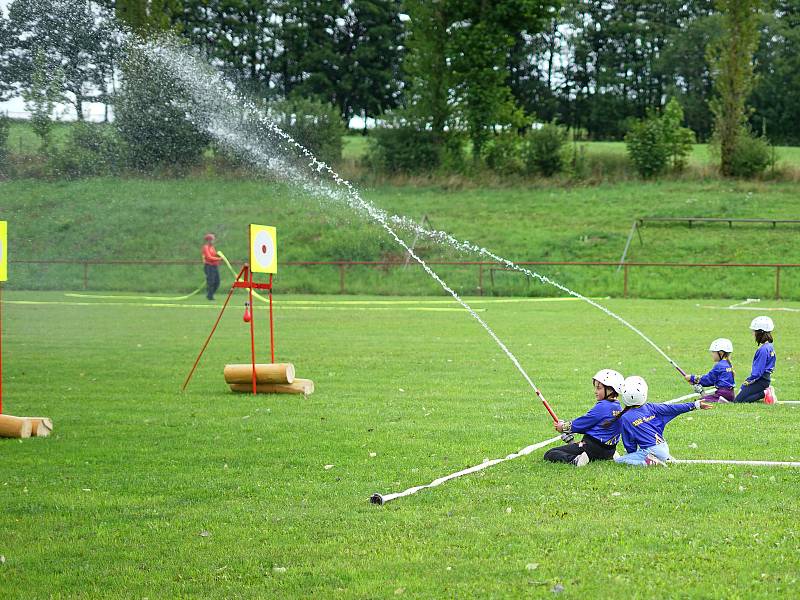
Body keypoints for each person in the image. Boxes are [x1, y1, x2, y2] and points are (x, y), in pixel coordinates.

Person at [613, 375, 713, 467]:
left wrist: (631, 454)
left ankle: (648, 463)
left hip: (652, 451)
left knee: (619, 461)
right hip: (663, 447)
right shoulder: (651, 407)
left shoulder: (625, 417)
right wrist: (695, 405)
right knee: (642, 453)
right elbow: (673, 408)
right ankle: (662, 458)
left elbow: (629, 443)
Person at [544, 369, 624, 467]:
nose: (595, 391)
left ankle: (575, 460)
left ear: (610, 390)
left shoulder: (602, 406)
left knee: (551, 453)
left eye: (599, 388)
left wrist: (563, 427)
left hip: (591, 448)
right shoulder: (618, 407)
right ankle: (610, 456)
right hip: (609, 450)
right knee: (574, 446)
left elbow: (583, 423)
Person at [734, 316, 777, 404]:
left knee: (737, 401)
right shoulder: (770, 346)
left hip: (760, 381)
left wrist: (745, 383)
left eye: (754, 331)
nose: (753, 334)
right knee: (743, 397)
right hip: (765, 380)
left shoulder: (763, 350)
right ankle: (764, 392)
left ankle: (765, 393)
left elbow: (757, 373)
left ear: (760, 332)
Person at [684, 338, 735, 402]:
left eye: (713, 352)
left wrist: (692, 378)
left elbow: (708, 379)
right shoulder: (728, 364)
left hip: (722, 394)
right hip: (731, 394)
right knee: (706, 397)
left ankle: (721, 401)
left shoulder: (719, 366)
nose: (712, 354)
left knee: (700, 401)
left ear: (721, 353)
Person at [202, 233, 222, 300]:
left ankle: (210, 294)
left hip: (214, 266)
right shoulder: (206, 247)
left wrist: (219, 255)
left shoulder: (212, 247)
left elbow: (214, 255)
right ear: (208, 240)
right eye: (212, 240)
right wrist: (218, 259)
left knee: (217, 281)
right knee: (211, 281)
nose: (213, 241)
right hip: (209, 266)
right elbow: (209, 257)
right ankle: (210, 296)